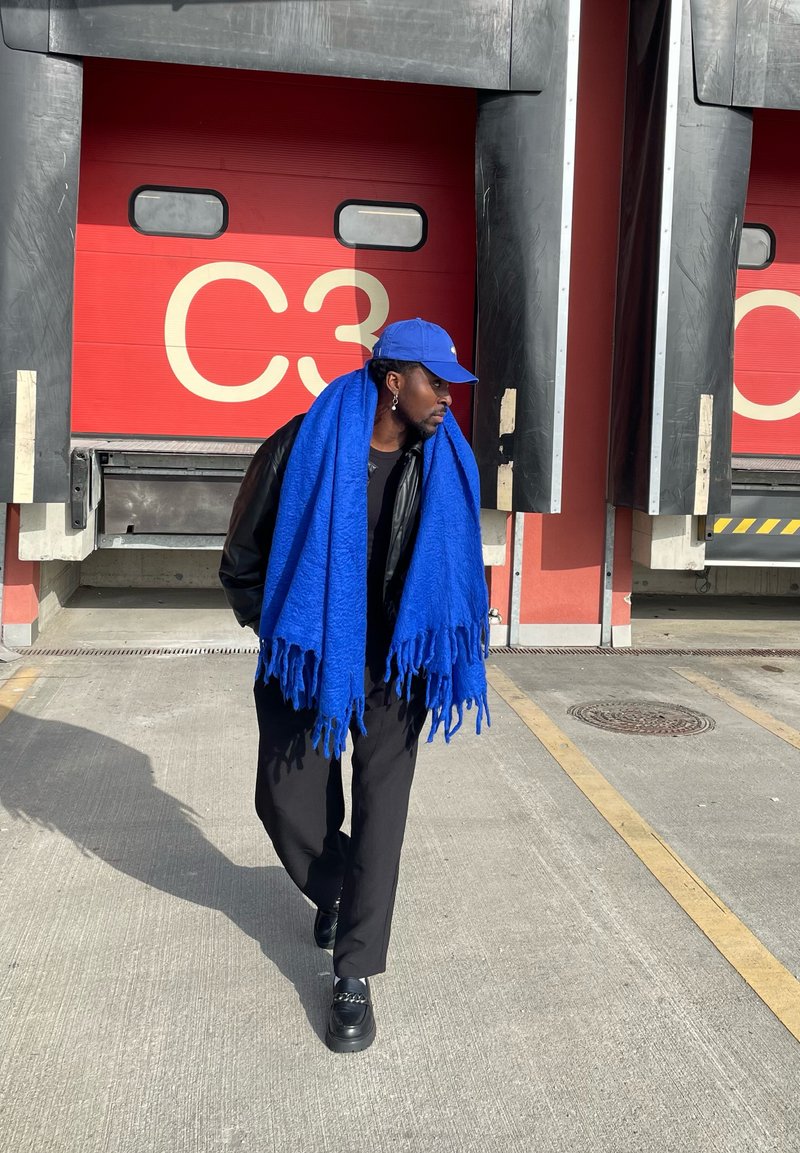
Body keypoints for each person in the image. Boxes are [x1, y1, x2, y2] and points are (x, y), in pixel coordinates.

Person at [220, 318, 490, 1053]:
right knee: (285, 802)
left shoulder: (444, 461)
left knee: (382, 814)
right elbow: (242, 553)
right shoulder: (303, 442)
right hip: (312, 655)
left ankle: (354, 972)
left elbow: (456, 570)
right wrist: (282, 632)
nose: (449, 400)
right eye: (438, 384)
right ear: (395, 383)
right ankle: (338, 886)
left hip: (397, 666)